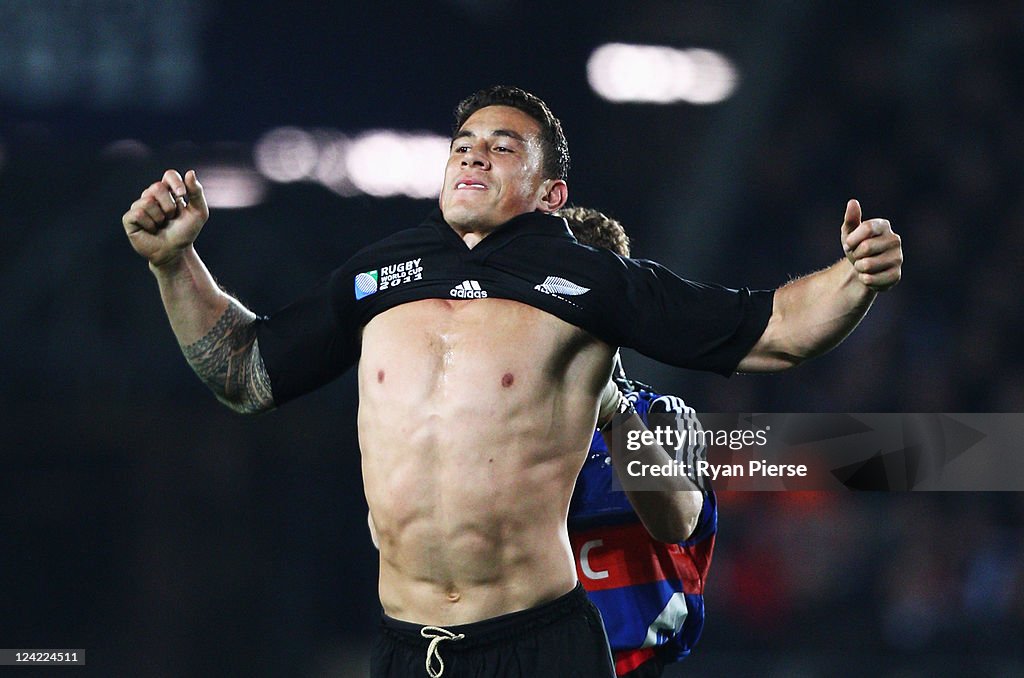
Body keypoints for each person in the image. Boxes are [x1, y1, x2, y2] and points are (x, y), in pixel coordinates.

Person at [121, 85, 902, 677]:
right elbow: (245, 374)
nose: (472, 154)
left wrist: (854, 277)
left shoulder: (595, 283)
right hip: (402, 645)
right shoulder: (377, 275)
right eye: (463, 143)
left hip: (538, 645)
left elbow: (772, 331)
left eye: (502, 146)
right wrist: (173, 263)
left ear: (551, 194)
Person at [559, 206, 714, 678]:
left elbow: (677, 521)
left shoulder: (662, 418)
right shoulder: (495, 428)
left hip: (629, 665)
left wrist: (611, 411)